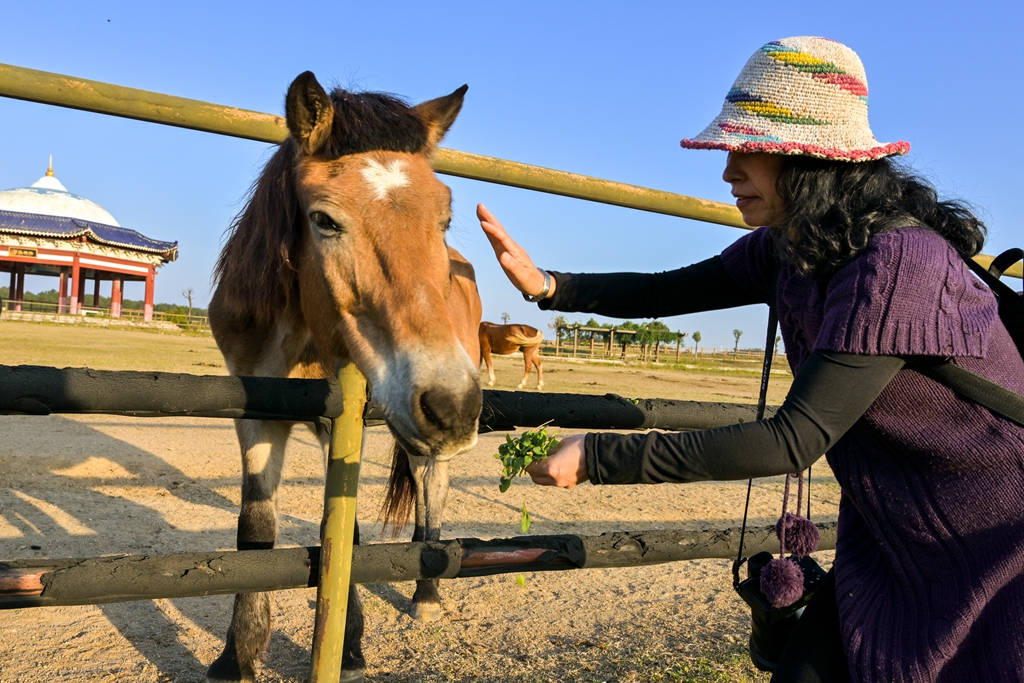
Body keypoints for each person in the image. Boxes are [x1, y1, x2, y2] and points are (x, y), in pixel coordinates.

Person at [477, 36, 1024, 683]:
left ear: (809, 161)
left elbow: (793, 439)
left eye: (748, 150)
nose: (728, 172)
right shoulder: (790, 246)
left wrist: (599, 454)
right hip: (893, 531)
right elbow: (663, 290)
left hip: (994, 535)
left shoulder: (895, 264)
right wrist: (549, 285)